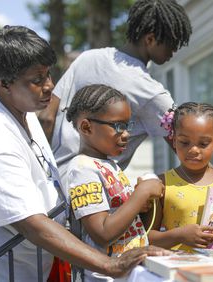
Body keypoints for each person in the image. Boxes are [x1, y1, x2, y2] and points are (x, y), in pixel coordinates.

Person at [0, 26, 169, 281]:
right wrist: (109, 265)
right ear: (3, 85)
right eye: (37, 80)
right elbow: (31, 224)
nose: (50, 85)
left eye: (48, 74)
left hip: (22, 269)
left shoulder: (25, 113)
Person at [37, 0, 192, 180]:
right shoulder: (151, 92)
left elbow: (46, 118)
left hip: (55, 178)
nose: (175, 50)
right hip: (99, 189)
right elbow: (188, 148)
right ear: (150, 39)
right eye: (172, 43)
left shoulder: (86, 58)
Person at [63, 84, 165, 281]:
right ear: (86, 127)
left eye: (127, 125)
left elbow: (123, 221)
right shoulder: (82, 169)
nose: (126, 134)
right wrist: (141, 193)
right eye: (118, 126)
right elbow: (102, 232)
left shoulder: (110, 165)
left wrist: (141, 205)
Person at [148, 102, 213, 252]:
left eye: (203, 143)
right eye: (184, 142)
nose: (193, 150)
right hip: (179, 270)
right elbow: (146, 238)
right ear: (173, 140)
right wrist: (179, 235)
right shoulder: (162, 184)